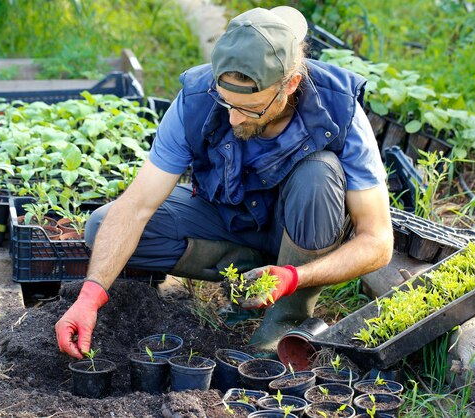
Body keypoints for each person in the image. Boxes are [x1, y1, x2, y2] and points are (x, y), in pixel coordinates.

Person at [55, 6, 393, 359]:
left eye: (250, 109)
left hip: (299, 234)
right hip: (230, 219)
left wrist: (294, 277)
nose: (233, 118)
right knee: (99, 226)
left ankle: (284, 319)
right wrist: (89, 296)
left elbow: (378, 242)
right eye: (226, 101)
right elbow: (136, 206)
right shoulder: (195, 99)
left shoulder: (339, 111)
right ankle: (247, 276)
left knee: (319, 171)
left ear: (290, 84)